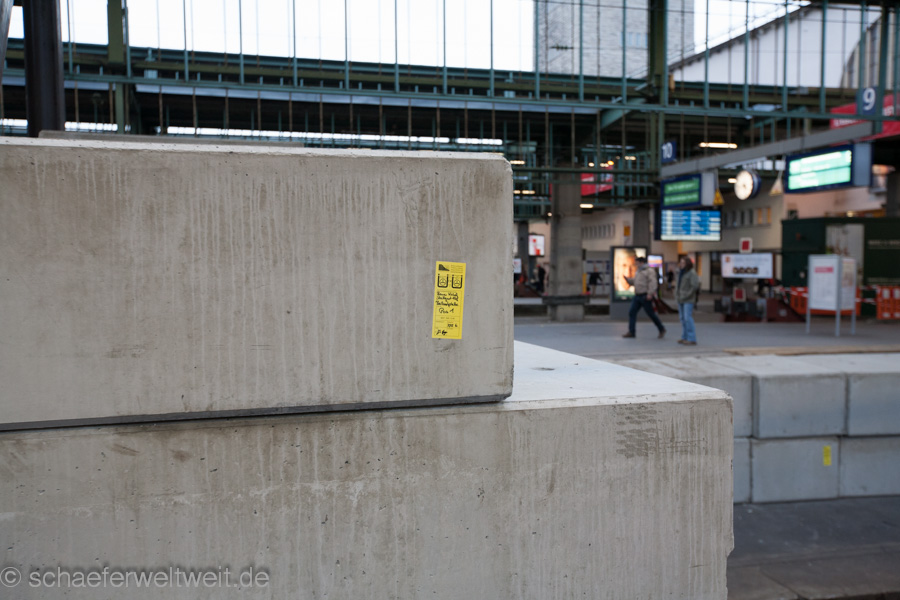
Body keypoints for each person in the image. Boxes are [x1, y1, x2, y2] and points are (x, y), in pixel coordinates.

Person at [622, 255, 666, 339]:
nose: (636, 265)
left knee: (651, 314)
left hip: (645, 296)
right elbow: (636, 282)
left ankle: (661, 328)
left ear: (642, 262)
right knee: (632, 312)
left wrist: (650, 293)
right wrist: (628, 280)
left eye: (637, 263)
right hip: (637, 295)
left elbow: (653, 282)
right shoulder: (638, 271)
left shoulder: (649, 271)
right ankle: (631, 331)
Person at [675, 256, 701, 345]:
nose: (681, 264)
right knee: (682, 318)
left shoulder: (691, 273)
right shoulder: (681, 272)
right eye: (680, 262)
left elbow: (694, 286)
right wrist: (676, 294)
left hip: (688, 299)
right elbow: (678, 285)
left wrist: (687, 295)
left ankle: (691, 338)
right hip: (680, 298)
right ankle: (684, 337)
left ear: (687, 264)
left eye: (683, 263)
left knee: (687, 318)